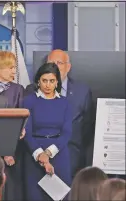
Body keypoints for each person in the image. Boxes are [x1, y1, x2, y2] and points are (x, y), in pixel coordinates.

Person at [25, 49, 93, 177]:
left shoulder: (82, 91)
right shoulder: (31, 92)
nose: (55, 66)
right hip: (37, 155)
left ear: (68, 67)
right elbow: (26, 127)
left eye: (59, 63)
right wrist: (41, 153)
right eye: (51, 62)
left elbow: (88, 126)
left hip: (71, 156)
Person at [22, 62, 72, 201]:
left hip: (59, 155)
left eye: (52, 81)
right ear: (38, 81)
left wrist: (48, 153)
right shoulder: (28, 101)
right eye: (44, 80)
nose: (47, 85)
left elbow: (67, 132)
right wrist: (40, 155)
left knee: (60, 197)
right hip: (34, 155)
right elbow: (26, 131)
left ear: (57, 82)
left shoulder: (64, 102)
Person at [0, 50, 25, 201]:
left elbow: (20, 121)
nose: (14, 71)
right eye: (10, 67)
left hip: (12, 151)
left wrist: (8, 150)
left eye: (14, 67)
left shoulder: (17, 90)